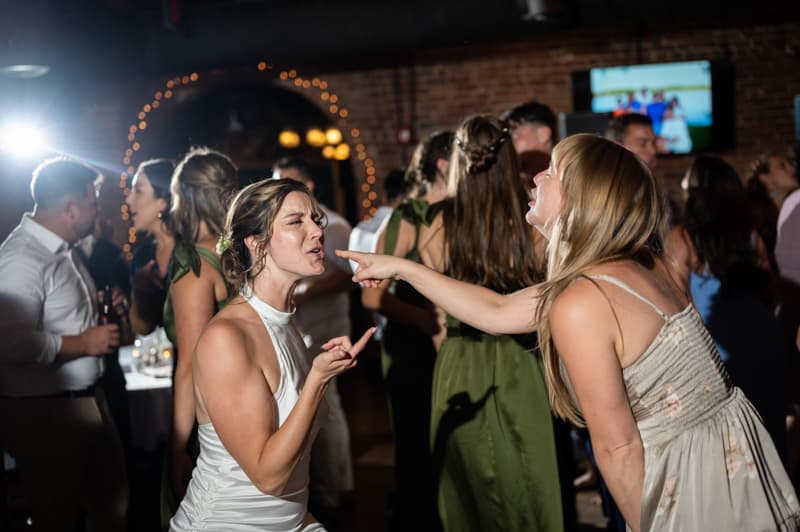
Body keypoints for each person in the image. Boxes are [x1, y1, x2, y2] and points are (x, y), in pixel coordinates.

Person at [339, 133, 800, 531]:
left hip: (689, 475)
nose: (536, 177)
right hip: (729, 457)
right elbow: (498, 310)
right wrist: (403, 267)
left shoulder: (582, 300)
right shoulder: (638, 263)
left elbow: (618, 448)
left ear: (585, 195)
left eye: (554, 171)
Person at [169, 178, 374, 531]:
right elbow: (269, 477)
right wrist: (317, 380)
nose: (316, 231)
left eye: (316, 219)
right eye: (296, 222)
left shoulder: (287, 324)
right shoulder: (227, 338)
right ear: (256, 242)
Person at [392, 115, 564, 532]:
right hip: (522, 358)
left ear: (458, 162)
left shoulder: (435, 224)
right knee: (529, 475)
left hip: (460, 358)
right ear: (508, 161)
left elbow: (436, 303)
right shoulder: (533, 224)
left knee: (466, 481)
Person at [0, 157, 128, 531]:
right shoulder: (22, 258)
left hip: (87, 401)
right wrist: (82, 342)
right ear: (71, 209)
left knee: (113, 507)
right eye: (94, 202)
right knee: (57, 518)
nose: (99, 210)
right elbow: (6, 343)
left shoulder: (67, 250)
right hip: (45, 412)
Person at [360, 132, 453, 531]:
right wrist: (421, 320)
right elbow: (371, 299)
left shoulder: (464, 213)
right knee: (418, 452)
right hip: (413, 351)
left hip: (454, 349)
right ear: (444, 166)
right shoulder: (409, 217)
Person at [669, 155, 787, 461]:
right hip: (763, 338)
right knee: (768, 440)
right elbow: (771, 289)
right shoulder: (748, 234)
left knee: (729, 453)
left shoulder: (682, 238)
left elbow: (676, 304)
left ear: (696, 189)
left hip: (717, 348)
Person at [161, 147, 240, 528]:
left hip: (212, 416)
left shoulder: (193, 262)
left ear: (188, 198)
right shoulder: (242, 250)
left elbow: (190, 364)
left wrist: (178, 445)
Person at [273, 157, 356, 518]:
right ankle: (325, 486)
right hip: (301, 327)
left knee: (328, 407)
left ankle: (338, 488)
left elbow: (346, 275)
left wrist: (305, 292)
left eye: (286, 183)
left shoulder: (335, 225)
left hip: (328, 324)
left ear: (307, 186)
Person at [126, 158, 176, 335]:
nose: (129, 199)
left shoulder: (193, 250)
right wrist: (138, 291)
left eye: (138, 191)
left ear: (163, 201)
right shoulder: (142, 256)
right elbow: (143, 328)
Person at [502, 100, 558, 190]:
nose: (509, 142)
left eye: (516, 135)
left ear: (543, 134)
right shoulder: (514, 180)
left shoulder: (567, 178)